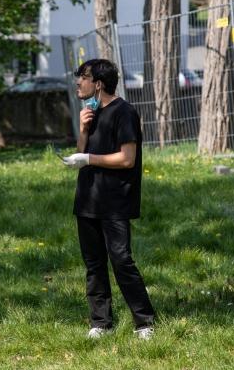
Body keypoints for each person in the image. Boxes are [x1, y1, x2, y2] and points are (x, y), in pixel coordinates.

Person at [62, 59, 156, 340]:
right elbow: (83, 153)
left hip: (115, 201)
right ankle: (100, 323)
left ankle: (144, 323)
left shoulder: (124, 112)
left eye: (84, 77)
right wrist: (82, 131)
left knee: (121, 260)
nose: (78, 82)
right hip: (87, 200)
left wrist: (88, 157)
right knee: (93, 264)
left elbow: (127, 159)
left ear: (99, 84)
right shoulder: (90, 112)